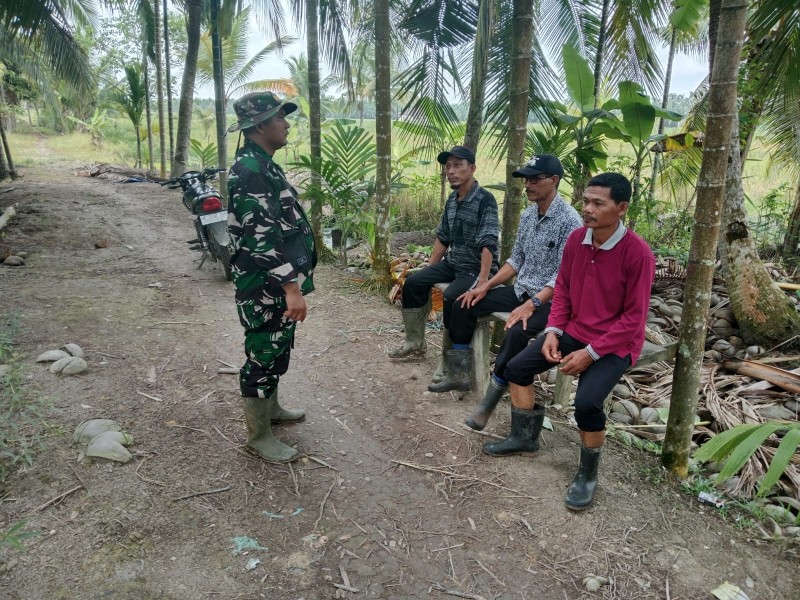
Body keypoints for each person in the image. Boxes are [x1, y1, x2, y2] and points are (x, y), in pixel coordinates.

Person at [483, 173, 655, 511]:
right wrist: (553, 332)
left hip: (615, 343)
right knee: (516, 367)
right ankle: (524, 438)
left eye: (597, 203)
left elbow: (633, 319)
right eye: (586, 201)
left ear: (621, 208)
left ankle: (587, 474)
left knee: (588, 403)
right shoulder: (577, 240)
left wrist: (589, 354)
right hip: (575, 329)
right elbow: (562, 292)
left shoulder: (638, 254)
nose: (587, 209)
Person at [430, 155, 581, 402]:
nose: (528, 185)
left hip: (550, 300)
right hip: (520, 291)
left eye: (534, 179)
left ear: (553, 180)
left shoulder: (570, 221)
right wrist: (485, 285)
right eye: (526, 180)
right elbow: (516, 260)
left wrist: (532, 304)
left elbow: (563, 276)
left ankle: (496, 389)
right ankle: (460, 374)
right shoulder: (529, 215)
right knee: (463, 303)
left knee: (515, 330)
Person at [226, 92, 317, 463]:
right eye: (280, 117)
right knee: (263, 353)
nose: (287, 123)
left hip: (273, 284)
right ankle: (259, 436)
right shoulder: (251, 171)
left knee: (277, 345)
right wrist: (291, 288)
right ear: (260, 126)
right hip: (265, 286)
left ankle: (272, 409)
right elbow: (262, 240)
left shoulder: (263, 164)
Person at [388, 146, 500, 389]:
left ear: (472, 168)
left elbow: (488, 242)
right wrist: (430, 269)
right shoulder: (453, 199)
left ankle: (448, 363)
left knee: (452, 297)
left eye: (457, 165)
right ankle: (415, 341)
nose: (451, 171)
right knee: (415, 282)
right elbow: (443, 237)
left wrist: (483, 279)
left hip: (475, 268)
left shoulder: (485, 200)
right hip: (453, 262)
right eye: (448, 166)